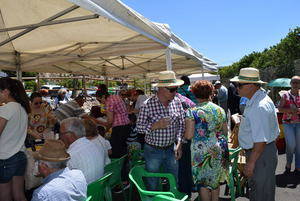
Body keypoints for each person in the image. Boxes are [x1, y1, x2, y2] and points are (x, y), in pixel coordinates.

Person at [230, 67, 279, 201]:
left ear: (251, 85)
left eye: (239, 85)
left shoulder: (258, 106)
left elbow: (260, 140)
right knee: (262, 191)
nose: (237, 88)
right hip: (262, 153)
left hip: (259, 154)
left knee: (260, 193)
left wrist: (250, 163)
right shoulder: (259, 99)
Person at [136, 70, 185, 190]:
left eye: (176, 89)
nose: (175, 92)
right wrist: (155, 125)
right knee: (152, 182)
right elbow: (139, 127)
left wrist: (179, 144)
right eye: (172, 89)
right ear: (162, 89)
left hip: (171, 149)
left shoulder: (177, 102)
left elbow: (181, 124)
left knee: (173, 180)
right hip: (153, 150)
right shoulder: (147, 105)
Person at [184, 80, 228, 201]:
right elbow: (225, 132)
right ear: (211, 92)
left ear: (194, 93)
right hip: (216, 148)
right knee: (215, 181)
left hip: (200, 151)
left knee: (202, 183)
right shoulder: (219, 110)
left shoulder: (191, 111)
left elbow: (188, 135)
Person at [0, 77, 31, 201]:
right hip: (20, 155)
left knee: (4, 195)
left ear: (6, 91)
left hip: (5, 158)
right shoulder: (22, 108)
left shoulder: (6, 109)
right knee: (19, 194)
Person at [59, 117, 105, 184]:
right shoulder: (93, 145)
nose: (60, 137)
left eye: (61, 133)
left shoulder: (70, 155)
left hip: (86, 192)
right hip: (98, 190)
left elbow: (61, 181)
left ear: (70, 135)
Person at [94, 84, 130, 158]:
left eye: (99, 100)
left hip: (120, 127)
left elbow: (110, 121)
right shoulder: (115, 97)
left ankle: (119, 166)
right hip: (126, 124)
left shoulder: (109, 102)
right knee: (122, 148)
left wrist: (105, 129)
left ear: (103, 96)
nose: (100, 102)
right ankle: (125, 164)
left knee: (115, 150)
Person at [278, 75, 300, 175]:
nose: (295, 84)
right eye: (294, 82)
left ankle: (298, 166)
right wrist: (291, 110)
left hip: (299, 123)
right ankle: (288, 163)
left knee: (299, 146)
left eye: (297, 82)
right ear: (290, 84)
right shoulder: (285, 95)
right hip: (288, 123)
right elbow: (280, 109)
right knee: (291, 145)